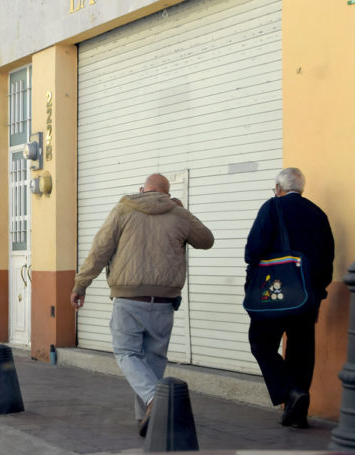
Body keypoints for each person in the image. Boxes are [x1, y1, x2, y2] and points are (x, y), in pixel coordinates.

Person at [70, 173, 214, 437]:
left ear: (142, 190)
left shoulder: (124, 209)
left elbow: (100, 250)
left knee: (126, 353)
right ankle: (148, 418)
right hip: (164, 301)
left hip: (129, 298)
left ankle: (154, 399)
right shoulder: (177, 213)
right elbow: (207, 240)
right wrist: (182, 210)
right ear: (166, 195)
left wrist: (81, 285)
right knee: (153, 359)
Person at [245, 167, 334, 428]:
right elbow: (328, 256)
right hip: (307, 294)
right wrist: (317, 289)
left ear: (278, 188)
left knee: (261, 343)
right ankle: (298, 413)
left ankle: (290, 391)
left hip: (273, 294)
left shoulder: (272, 207)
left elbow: (253, 250)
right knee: (301, 351)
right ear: (301, 189)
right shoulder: (318, 213)